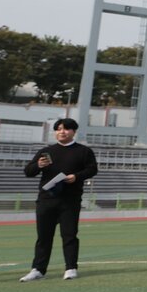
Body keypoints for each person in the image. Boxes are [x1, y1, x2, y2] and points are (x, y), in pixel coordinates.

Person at [22, 117, 98, 281]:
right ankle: (38, 269)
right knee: (43, 236)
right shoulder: (46, 151)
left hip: (70, 201)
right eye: (58, 129)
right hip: (46, 200)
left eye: (66, 129)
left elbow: (92, 169)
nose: (62, 132)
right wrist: (38, 165)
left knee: (69, 235)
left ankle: (71, 268)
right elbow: (28, 171)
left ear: (73, 131)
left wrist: (76, 176)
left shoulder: (83, 151)